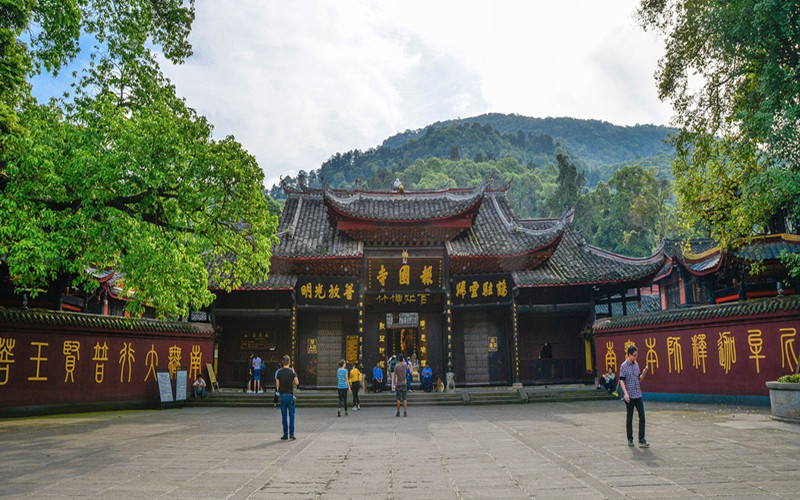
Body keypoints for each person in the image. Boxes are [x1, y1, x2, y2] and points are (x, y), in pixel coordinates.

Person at [619, 345, 649, 448]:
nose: (636, 357)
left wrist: (644, 374)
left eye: (637, 355)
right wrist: (626, 393)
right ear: (629, 355)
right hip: (629, 396)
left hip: (638, 395)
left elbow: (639, 379)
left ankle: (641, 438)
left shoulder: (636, 365)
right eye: (635, 355)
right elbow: (621, 380)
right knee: (630, 418)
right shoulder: (624, 366)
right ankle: (630, 439)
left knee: (642, 416)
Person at [275, 354, 299, 440]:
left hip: (283, 396)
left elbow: (277, 384)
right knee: (292, 415)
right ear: (289, 362)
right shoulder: (292, 371)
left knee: (284, 416)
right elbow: (297, 382)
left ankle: (285, 434)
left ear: (282, 362)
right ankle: (291, 434)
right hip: (290, 395)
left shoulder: (279, 372)